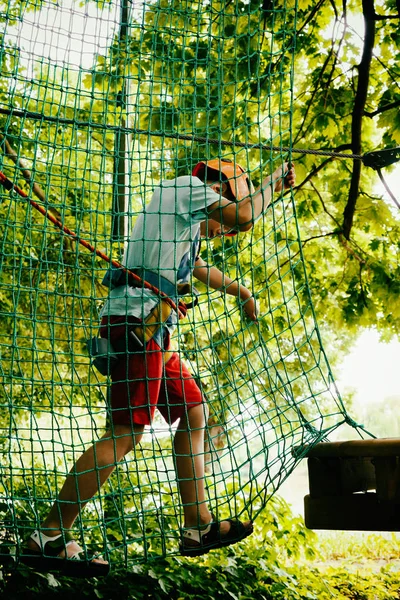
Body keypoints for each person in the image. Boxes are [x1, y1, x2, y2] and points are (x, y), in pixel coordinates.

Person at [23, 158, 295, 577]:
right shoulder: (186, 188)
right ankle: (50, 536)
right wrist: (275, 178)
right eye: (229, 202)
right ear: (219, 186)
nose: (224, 226)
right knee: (125, 433)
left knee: (193, 408)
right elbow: (242, 216)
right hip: (138, 321)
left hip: (152, 330)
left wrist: (241, 290)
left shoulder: (181, 224)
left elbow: (206, 260)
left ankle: (197, 525)